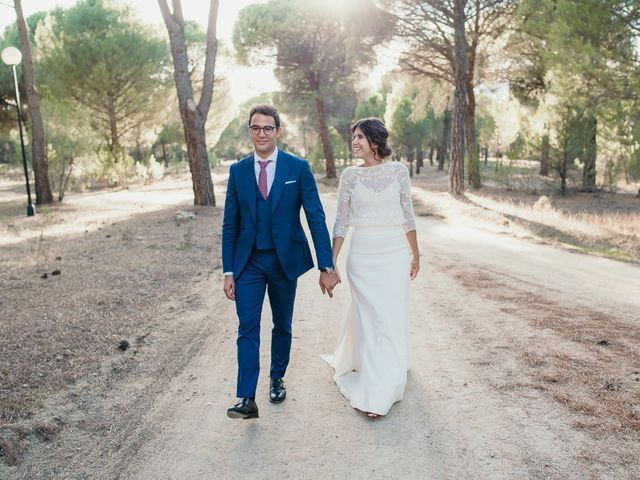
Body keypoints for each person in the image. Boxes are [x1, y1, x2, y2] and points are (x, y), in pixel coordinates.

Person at [222, 104, 339, 419]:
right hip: (248, 263)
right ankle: (246, 397)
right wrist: (228, 270)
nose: (261, 133)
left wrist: (325, 265)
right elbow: (230, 225)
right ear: (249, 131)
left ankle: (277, 377)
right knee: (247, 326)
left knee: (282, 324)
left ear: (278, 131)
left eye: (268, 128)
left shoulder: (297, 168)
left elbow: (315, 216)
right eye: (256, 128)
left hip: (284, 260)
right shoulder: (237, 171)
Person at [323, 117, 419, 418]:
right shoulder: (350, 176)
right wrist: (331, 262)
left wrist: (415, 253)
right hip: (362, 254)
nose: (354, 142)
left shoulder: (399, 171)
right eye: (354, 137)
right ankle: (376, 385)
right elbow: (340, 221)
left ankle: (386, 377)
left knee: (388, 315)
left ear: (375, 141)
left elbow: (408, 216)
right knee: (370, 315)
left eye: (360, 137)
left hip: (394, 253)